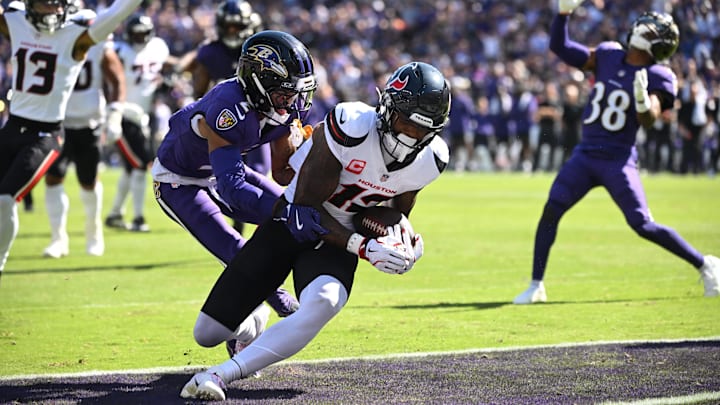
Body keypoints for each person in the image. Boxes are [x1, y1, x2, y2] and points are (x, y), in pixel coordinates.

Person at [179, 61, 451, 401]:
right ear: (386, 108)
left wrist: (403, 238)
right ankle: (252, 325)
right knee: (206, 333)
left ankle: (221, 375)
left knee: (325, 301)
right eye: (406, 122)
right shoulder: (351, 127)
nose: (411, 136)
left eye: (422, 131)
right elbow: (305, 210)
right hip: (290, 224)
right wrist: (363, 247)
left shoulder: (430, 160)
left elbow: (391, 211)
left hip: (337, 244)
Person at [513, 2, 720, 305]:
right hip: (585, 155)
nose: (640, 27)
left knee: (642, 224)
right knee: (551, 210)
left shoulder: (659, 75)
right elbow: (561, 47)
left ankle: (706, 264)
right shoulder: (609, 55)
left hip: (618, 159)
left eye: (650, 27)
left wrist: (642, 102)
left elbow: (649, 118)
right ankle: (536, 284)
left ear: (658, 42)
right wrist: (562, 15)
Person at [152, 31, 317, 325]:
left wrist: (304, 154)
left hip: (218, 173)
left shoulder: (284, 104)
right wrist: (287, 212)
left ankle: (296, 294)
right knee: (235, 248)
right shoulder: (229, 106)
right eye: (284, 91)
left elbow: (281, 173)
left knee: (291, 216)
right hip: (178, 181)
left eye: (296, 92)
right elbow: (233, 189)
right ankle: (270, 310)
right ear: (257, 82)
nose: (292, 101)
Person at [0, 0, 143, 276]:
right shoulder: (15, 22)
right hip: (12, 127)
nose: (50, 11)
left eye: (55, 5)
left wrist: (114, 113)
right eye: (43, 5)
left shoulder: (76, 35)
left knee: (7, 198)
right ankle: (57, 238)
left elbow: (116, 13)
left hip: (48, 131)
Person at [43, 7, 126, 258]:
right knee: (53, 178)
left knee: (88, 182)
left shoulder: (97, 43)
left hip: (89, 123)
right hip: (58, 122)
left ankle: (94, 233)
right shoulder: (55, 38)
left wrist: (115, 113)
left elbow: (116, 78)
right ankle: (58, 239)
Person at [187, 0, 264, 236]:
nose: (232, 31)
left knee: (260, 174)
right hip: (225, 122)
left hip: (259, 120)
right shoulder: (210, 52)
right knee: (226, 176)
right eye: (227, 26)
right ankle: (236, 227)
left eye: (236, 26)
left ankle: (263, 231)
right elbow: (199, 91)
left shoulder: (260, 47)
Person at [104, 13, 169, 232]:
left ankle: (115, 214)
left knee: (132, 169)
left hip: (143, 116)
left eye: (144, 34)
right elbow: (107, 81)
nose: (140, 38)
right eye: (136, 34)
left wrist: (166, 80)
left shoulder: (158, 47)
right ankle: (139, 218)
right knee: (141, 165)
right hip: (122, 114)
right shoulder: (121, 52)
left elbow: (164, 69)